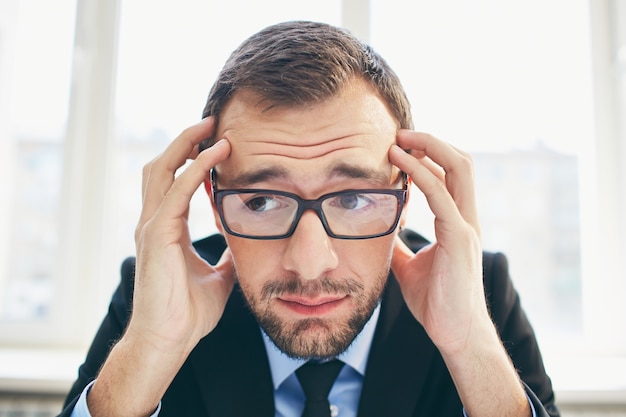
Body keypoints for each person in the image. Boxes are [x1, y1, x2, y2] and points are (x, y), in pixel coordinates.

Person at [59, 20, 560, 417]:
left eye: (354, 198)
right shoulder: (155, 295)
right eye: (261, 201)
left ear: (405, 197)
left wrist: (470, 346)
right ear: (215, 205)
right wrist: (150, 348)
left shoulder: (480, 291)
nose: (310, 264)